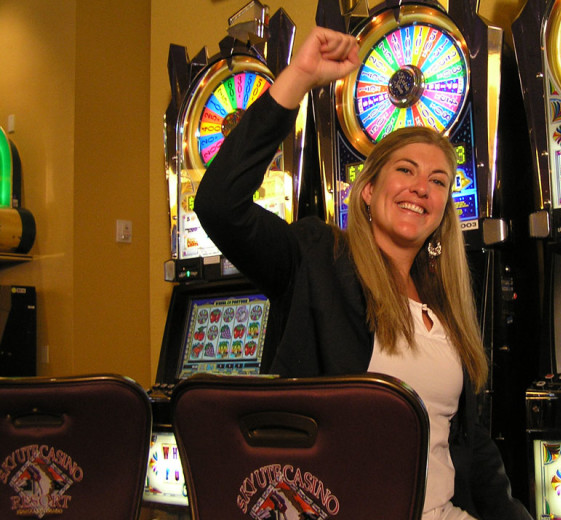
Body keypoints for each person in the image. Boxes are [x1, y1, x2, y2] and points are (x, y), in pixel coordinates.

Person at [194, 26, 532, 520]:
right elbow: (220, 205)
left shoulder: (447, 301)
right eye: (406, 170)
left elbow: (470, 446)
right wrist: (299, 77)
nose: (422, 187)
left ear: (445, 209)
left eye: (438, 180)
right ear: (368, 191)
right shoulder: (317, 260)